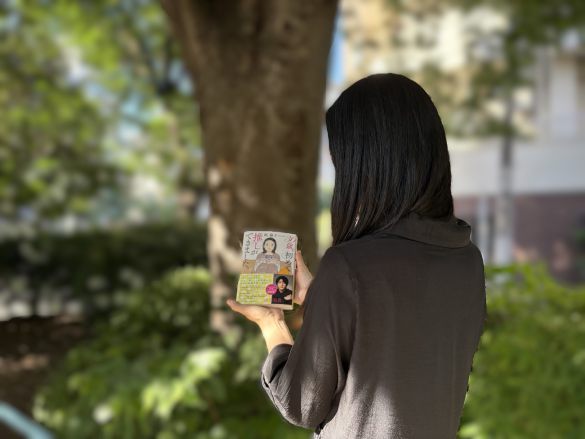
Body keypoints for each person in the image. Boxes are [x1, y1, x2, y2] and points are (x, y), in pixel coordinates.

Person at [226, 73, 487, 438]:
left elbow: (301, 402)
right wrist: (323, 298)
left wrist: (272, 323)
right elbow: (406, 349)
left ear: (367, 166)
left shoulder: (349, 265)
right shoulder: (467, 260)